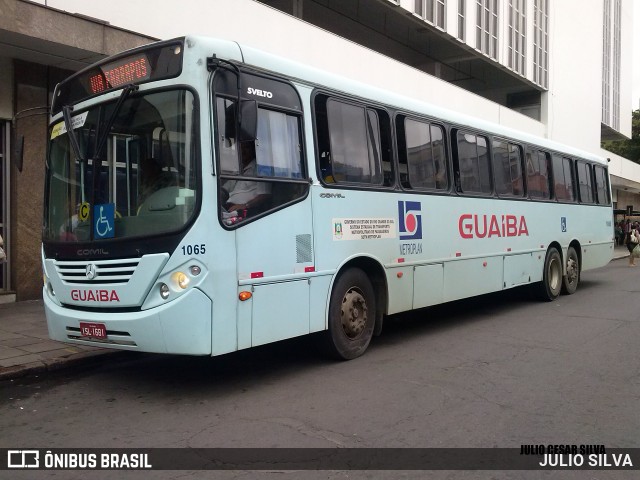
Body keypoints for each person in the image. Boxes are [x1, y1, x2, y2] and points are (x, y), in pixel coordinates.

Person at [222, 142, 271, 216]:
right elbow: (225, 189)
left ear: (253, 150)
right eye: (241, 148)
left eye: (246, 148)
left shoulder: (260, 169)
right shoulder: (238, 169)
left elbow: (264, 195)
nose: (243, 151)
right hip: (229, 207)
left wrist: (245, 206)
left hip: (246, 212)